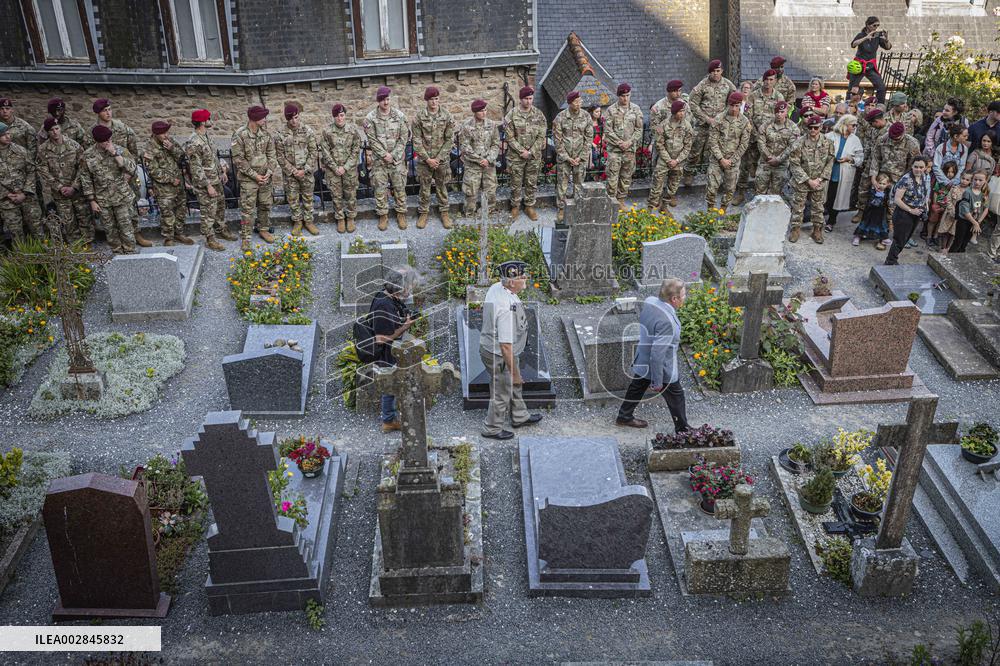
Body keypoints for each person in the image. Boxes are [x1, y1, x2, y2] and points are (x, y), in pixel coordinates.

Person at [615, 277, 690, 433]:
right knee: (676, 395)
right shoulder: (667, 322)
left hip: (643, 357)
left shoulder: (650, 301)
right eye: (683, 295)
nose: (685, 298)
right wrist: (657, 381)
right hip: (661, 367)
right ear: (674, 299)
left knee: (637, 387)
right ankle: (683, 430)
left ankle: (624, 416)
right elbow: (657, 354)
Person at [479, 260, 543, 441]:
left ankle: (519, 415)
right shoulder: (506, 309)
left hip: (497, 348)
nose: (526, 278)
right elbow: (505, 346)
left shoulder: (497, 287)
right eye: (523, 277)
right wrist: (515, 373)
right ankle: (492, 428)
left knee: (511, 385)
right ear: (512, 282)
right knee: (501, 391)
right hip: (499, 354)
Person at [370, 266, 418, 434]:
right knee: (389, 386)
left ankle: (391, 416)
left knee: (391, 385)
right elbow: (381, 339)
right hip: (386, 353)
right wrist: (405, 327)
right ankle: (388, 421)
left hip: (391, 350)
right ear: (400, 287)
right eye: (409, 286)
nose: (410, 290)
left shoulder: (386, 296)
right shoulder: (383, 305)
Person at [78, 124, 139, 254]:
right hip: (103, 199)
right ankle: (117, 254)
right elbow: (85, 179)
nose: (108, 142)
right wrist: (92, 201)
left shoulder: (120, 150)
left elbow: (132, 169)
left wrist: (115, 154)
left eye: (109, 139)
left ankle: (131, 253)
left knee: (126, 228)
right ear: (97, 141)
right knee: (110, 230)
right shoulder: (87, 156)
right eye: (104, 141)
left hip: (122, 196)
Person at [185, 109, 236, 251]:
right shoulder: (193, 142)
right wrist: (208, 186)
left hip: (216, 180)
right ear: (202, 122)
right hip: (205, 184)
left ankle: (221, 230)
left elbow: (213, 158)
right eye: (208, 118)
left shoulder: (206, 136)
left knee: (220, 207)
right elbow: (196, 168)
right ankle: (210, 238)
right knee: (208, 212)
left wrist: (222, 172)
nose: (210, 121)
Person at [363, 86, 409, 231]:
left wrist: (393, 155)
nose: (386, 102)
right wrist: (384, 155)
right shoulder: (370, 118)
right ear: (378, 101)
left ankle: (401, 213)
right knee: (380, 189)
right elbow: (372, 140)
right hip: (379, 161)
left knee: (400, 187)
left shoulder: (399, 116)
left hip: (396, 160)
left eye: (388, 99)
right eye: (383, 100)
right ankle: (383, 215)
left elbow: (404, 137)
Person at [36, 118, 89, 242]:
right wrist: (59, 187)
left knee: (84, 217)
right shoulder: (43, 149)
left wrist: (74, 186)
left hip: (77, 190)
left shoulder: (74, 145)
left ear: (60, 129)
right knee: (67, 220)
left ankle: (88, 242)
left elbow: (83, 168)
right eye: (51, 130)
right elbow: (43, 171)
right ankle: (75, 245)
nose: (55, 132)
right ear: (47, 132)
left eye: (57, 128)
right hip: (60, 193)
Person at [232, 105, 277, 248]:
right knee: (247, 209)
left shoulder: (266, 134)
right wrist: (255, 176)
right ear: (255, 118)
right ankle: (246, 236)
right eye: (263, 117)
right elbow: (238, 160)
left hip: (265, 178)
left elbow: (272, 155)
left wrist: (269, 172)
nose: (265, 119)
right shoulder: (240, 135)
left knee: (265, 205)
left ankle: (263, 229)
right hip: (248, 180)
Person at [686, 59, 737, 187]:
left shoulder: (728, 85)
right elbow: (692, 103)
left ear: (722, 71)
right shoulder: (703, 84)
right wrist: (706, 118)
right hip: (703, 125)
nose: (715, 73)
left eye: (718, 71)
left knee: (718, 152)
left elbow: (733, 102)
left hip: (720, 126)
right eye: (713, 71)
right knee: (695, 151)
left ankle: (715, 176)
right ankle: (688, 173)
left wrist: (722, 117)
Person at [143, 120, 193, 246]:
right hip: (164, 188)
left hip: (179, 185)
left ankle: (179, 233)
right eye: (163, 133)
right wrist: (171, 179)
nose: (166, 135)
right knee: (167, 213)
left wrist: (172, 149)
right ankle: (168, 238)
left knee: (181, 210)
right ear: (155, 134)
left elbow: (182, 157)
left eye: (167, 132)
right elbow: (153, 171)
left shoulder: (170, 141)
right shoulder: (149, 148)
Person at [412, 86, 456, 229]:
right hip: (425, 161)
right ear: (427, 100)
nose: (434, 102)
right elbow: (416, 141)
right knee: (424, 188)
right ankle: (423, 212)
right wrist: (427, 159)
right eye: (431, 99)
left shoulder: (447, 116)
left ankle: (444, 212)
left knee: (442, 187)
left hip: (441, 161)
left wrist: (438, 158)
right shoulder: (419, 117)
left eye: (436, 99)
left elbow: (450, 140)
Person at [739, 70, 782, 205]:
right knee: (745, 166)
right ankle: (740, 193)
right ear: (763, 80)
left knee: (765, 168)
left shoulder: (778, 97)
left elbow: (780, 118)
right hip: (752, 137)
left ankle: (762, 196)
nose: (768, 82)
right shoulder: (753, 96)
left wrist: (767, 135)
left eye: (771, 79)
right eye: (766, 79)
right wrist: (756, 134)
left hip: (769, 140)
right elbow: (747, 116)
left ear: (775, 81)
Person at [789, 115, 835, 243]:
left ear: (821, 127)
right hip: (802, 182)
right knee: (798, 206)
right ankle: (795, 229)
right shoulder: (799, 143)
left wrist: (819, 179)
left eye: (815, 127)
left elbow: (830, 162)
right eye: (810, 127)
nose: (813, 130)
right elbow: (794, 164)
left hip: (819, 181)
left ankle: (817, 230)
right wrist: (808, 180)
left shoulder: (828, 143)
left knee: (818, 207)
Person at [276, 103, 320, 237]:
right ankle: (297, 222)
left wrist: (305, 169)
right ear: (287, 119)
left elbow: (313, 151)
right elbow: (280, 156)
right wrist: (294, 171)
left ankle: (309, 221)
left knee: (308, 197)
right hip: (290, 174)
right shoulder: (280, 134)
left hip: (306, 172)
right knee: (293, 198)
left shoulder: (307, 131)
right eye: (291, 118)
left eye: (296, 117)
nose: (294, 121)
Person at [503, 86, 545, 223]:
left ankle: (529, 206)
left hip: (533, 156)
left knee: (531, 182)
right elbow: (509, 137)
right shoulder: (511, 115)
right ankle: (515, 206)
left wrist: (531, 152)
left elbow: (541, 136)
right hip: (516, 156)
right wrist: (522, 151)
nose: (528, 101)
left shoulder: (539, 114)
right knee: (515, 182)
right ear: (520, 99)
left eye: (530, 98)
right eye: (526, 98)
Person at [705, 91, 751, 211]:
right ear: (728, 104)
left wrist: (732, 160)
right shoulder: (719, 119)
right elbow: (712, 141)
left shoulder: (745, 122)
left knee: (730, 189)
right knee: (711, 187)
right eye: (732, 105)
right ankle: (710, 210)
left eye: (737, 106)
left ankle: (723, 210)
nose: (734, 109)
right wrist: (721, 159)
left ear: (740, 105)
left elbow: (744, 144)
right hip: (717, 159)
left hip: (733, 161)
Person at [552, 91, 593, 223]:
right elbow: (557, 140)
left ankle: (577, 206)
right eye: (576, 102)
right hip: (564, 158)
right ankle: (561, 209)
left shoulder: (586, 116)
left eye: (580, 101)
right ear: (570, 103)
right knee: (562, 184)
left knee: (579, 184)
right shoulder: (560, 117)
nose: (579, 104)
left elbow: (589, 138)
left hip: (580, 157)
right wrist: (566, 157)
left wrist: (581, 156)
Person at [321, 104, 361, 233]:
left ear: (345, 115)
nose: (340, 118)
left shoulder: (353, 130)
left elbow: (356, 150)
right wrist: (335, 168)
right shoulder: (327, 132)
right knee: (336, 195)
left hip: (349, 170)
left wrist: (346, 167)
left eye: (342, 115)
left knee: (351, 194)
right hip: (333, 171)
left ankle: (350, 217)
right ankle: (340, 218)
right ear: (333, 117)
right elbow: (325, 152)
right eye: (337, 116)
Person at [869, 121, 921, 219]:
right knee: (877, 201)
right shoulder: (883, 139)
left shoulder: (912, 143)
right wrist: (873, 178)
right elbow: (876, 159)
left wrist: (907, 181)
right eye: (891, 137)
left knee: (893, 204)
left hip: (900, 178)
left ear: (903, 133)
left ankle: (891, 221)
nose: (893, 140)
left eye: (896, 139)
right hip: (883, 177)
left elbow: (915, 164)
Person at [0, 121, 43, 240]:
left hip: (27, 197)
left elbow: (31, 171)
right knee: (16, 234)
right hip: (7, 200)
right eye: (3, 135)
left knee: (37, 229)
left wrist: (24, 193)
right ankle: (21, 252)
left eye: (9, 133)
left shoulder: (21, 151)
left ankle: (43, 251)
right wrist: (6, 194)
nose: (8, 136)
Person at [647, 100, 693, 211]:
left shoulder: (687, 126)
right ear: (674, 112)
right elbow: (659, 145)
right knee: (656, 185)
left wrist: (677, 160)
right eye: (680, 111)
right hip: (664, 160)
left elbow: (688, 146)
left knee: (673, 187)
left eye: (683, 111)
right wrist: (668, 160)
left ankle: (664, 207)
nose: (682, 113)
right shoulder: (663, 125)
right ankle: (649, 209)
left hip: (678, 161)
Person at [885, 155, 931, 265]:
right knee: (899, 239)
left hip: (916, 213)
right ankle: (890, 261)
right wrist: (911, 210)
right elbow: (897, 200)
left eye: (921, 167)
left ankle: (893, 259)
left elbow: (924, 194)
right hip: (904, 213)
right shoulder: (906, 179)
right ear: (912, 166)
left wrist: (925, 206)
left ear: (925, 167)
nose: (918, 169)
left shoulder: (924, 177)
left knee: (905, 238)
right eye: (916, 167)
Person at [603, 83, 644, 209]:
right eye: (623, 96)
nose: (625, 98)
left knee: (626, 177)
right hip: (615, 150)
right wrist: (619, 143)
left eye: (627, 95)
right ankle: (610, 202)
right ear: (618, 96)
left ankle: (620, 201)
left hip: (629, 150)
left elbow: (639, 129)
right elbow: (608, 130)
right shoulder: (611, 110)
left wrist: (629, 142)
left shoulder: (636, 109)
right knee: (612, 177)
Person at [459, 98, 500, 217]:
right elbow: (465, 146)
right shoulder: (467, 126)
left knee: (490, 189)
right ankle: (469, 214)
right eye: (481, 111)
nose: (484, 113)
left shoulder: (492, 125)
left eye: (485, 110)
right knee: (471, 191)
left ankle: (487, 212)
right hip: (473, 165)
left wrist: (488, 159)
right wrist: (479, 160)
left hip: (488, 164)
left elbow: (496, 144)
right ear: (475, 112)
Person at [824, 114, 864, 232]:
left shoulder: (855, 140)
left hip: (843, 173)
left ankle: (831, 221)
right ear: (845, 124)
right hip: (829, 170)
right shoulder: (831, 136)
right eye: (853, 125)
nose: (855, 127)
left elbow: (860, 158)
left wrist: (849, 159)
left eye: (856, 125)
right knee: (826, 195)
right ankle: (820, 218)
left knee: (838, 197)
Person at [755, 100, 800, 196]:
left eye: (782, 112)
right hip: (765, 163)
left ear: (786, 112)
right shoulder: (766, 125)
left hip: (781, 165)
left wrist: (778, 159)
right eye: (777, 112)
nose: (779, 114)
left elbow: (792, 147)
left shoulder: (793, 128)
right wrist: (769, 157)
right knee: (760, 191)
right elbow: (761, 143)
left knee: (775, 193)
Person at [852, 108, 888, 222]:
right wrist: (864, 160)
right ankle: (860, 212)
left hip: (884, 164)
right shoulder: (873, 129)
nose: (871, 126)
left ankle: (878, 217)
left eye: (872, 123)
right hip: (870, 162)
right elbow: (868, 145)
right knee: (863, 187)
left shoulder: (890, 130)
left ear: (877, 121)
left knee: (882, 189)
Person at [848, 16, 891, 104]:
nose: (876, 28)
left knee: (881, 87)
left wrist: (886, 40)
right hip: (859, 66)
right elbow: (853, 44)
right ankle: (847, 106)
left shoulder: (877, 37)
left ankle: (879, 106)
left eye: (878, 25)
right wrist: (866, 38)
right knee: (853, 89)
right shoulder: (861, 35)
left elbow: (888, 47)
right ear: (867, 25)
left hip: (870, 66)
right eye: (874, 25)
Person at [952, 170, 989, 254]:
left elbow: (986, 209)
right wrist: (975, 223)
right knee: (958, 242)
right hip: (964, 221)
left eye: (980, 180)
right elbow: (965, 211)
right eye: (975, 179)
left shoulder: (984, 194)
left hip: (974, 222)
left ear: (985, 181)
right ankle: (950, 258)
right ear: (972, 180)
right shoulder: (968, 192)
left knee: (965, 243)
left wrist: (978, 222)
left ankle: (959, 258)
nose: (977, 182)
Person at [854, 173, 891, 249]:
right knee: (865, 224)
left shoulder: (887, 192)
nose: (881, 185)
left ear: (888, 184)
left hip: (880, 213)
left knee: (880, 225)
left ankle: (883, 238)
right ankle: (858, 237)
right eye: (880, 183)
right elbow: (871, 201)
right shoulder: (873, 191)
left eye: (884, 184)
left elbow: (887, 202)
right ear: (876, 183)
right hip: (870, 211)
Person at [937, 171, 971, 254]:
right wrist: (951, 210)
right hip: (950, 213)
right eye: (963, 178)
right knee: (945, 231)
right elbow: (948, 199)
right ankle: (943, 247)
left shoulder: (969, 192)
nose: (964, 181)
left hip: (960, 216)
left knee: (953, 233)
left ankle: (948, 248)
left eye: (967, 180)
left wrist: (960, 213)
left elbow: (968, 204)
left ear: (970, 181)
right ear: (960, 178)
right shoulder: (954, 188)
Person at [926, 161, 957, 248]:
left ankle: (935, 236)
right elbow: (935, 192)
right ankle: (929, 236)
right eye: (947, 172)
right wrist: (935, 203)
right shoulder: (940, 181)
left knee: (940, 222)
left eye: (952, 172)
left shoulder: (954, 184)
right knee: (932, 220)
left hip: (946, 206)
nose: (949, 174)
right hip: (937, 204)